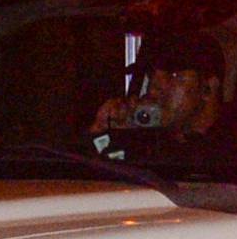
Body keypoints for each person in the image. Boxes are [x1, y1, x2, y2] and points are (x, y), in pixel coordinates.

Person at [94, 34, 225, 151]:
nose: (152, 90)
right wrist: (104, 131)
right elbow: (107, 165)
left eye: (173, 75)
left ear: (208, 88)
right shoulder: (152, 140)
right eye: (151, 76)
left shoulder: (236, 149)